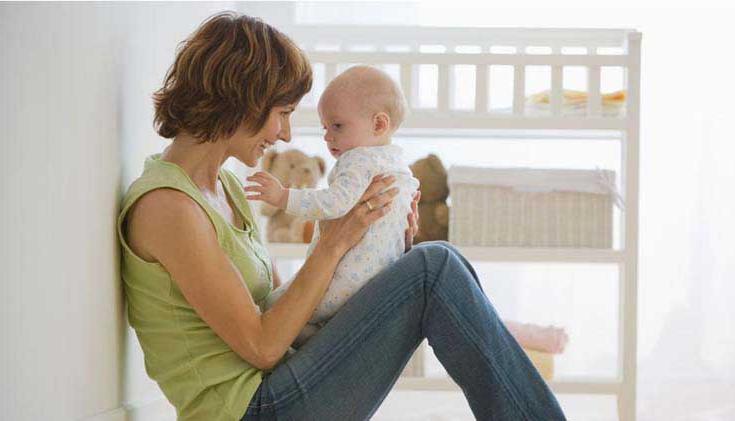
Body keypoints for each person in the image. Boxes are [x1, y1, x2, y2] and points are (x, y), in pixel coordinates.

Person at [117, 12, 567, 421]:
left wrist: (382, 249)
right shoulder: (168, 207)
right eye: (282, 114)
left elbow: (289, 311)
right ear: (241, 98)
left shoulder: (228, 188)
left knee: (431, 264)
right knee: (436, 267)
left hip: (281, 387)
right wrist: (335, 240)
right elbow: (263, 346)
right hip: (254, 410)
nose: (286, 134)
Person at [245, 65, 420, 347]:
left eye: (337, 126)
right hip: (379, 277)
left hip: (346, 280)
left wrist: (283, 196)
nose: (327, 137)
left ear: (378, 124)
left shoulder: (358, 160)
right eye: (325, 128)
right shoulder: (399, 165)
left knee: (275, 305)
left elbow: (334, 204)